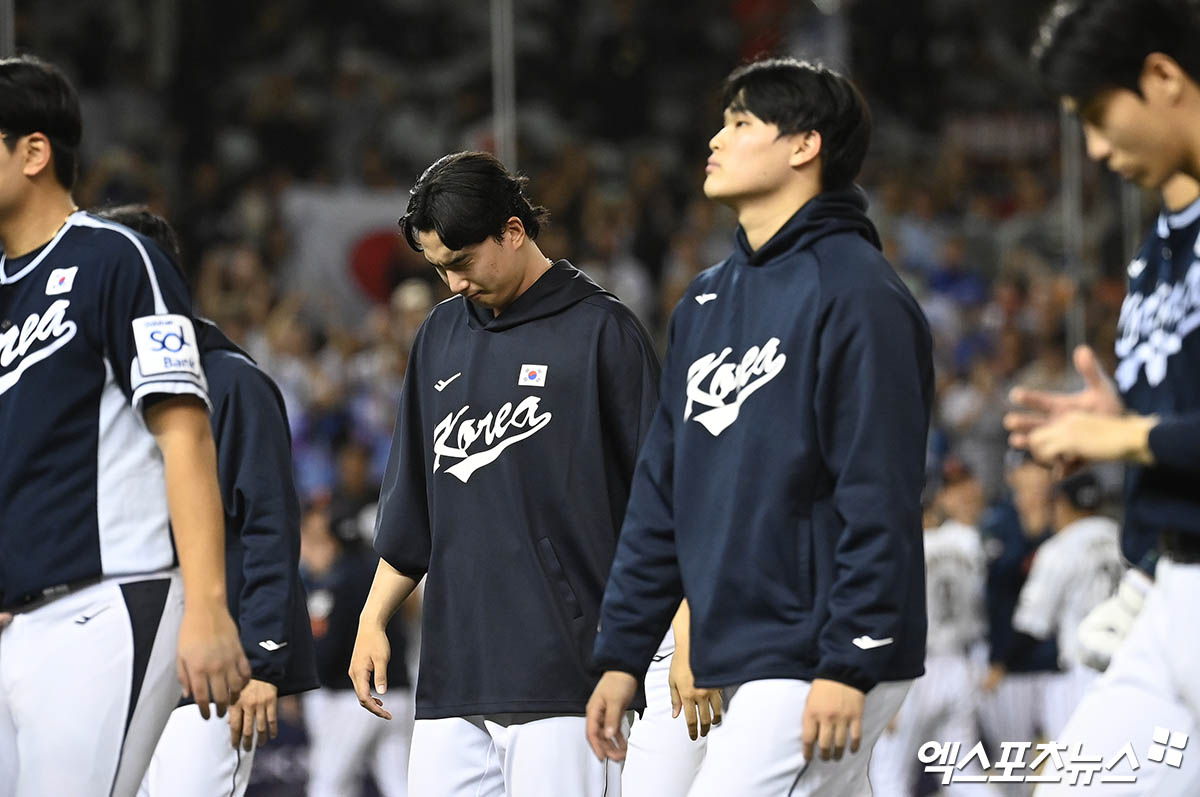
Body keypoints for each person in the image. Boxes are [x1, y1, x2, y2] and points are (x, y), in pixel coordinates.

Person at [588, 57, 935, 796]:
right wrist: (624, 649)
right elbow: (662, 493)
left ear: (804, 145)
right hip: (729, 638)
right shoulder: (706, 301)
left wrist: (852, 656)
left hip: (819, 646)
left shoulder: (859, 293)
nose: (716, 138)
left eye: (741, 123)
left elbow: (880, 491)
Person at [347, 151, 661, 797]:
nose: (452, 284)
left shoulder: (603, 332)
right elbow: (413, 506)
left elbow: (664, 507)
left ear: (514, 231)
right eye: (438, 269)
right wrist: (372, 618)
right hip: (452, 672)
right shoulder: (439, 334)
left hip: (568, 675)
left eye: (461, 263)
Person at [0, 56, 248, 797]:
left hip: (112, 598)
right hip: (23, 620)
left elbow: (185, 433)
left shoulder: (118, 257)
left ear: (34, 151)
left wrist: (205, 606)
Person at [998, 3, 1200, 787]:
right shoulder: (1160, 243)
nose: (1093, 146)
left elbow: (1161, 434)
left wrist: (1136, 438)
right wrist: (1123, 425)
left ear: (1162, 76)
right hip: (1172, 589)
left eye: (1097, 114)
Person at [89, 206, 319, 797]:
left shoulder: (232, 381)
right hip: (113, 664)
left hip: (211, 668)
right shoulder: (92, 391)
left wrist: (264, 661)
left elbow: (269, 525)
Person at [869, 468, 995, 797]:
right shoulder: (965, 541)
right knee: (963, 775)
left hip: (910, 672)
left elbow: (889, 615)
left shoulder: (899, 548)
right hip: (959, 665)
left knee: (888, 777)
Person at [983, 469, 1121, 739]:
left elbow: (1032, 625)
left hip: (1081, 673)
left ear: (1063, 504)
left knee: (1071, 770)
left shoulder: (1060, 547)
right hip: (1124, 669)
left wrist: (1002, 662)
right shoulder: (1122, 540)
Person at [301, 501, 413, 797]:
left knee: (328, 785)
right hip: (398, 695)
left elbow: (325, 653)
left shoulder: (333, 583)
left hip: (353, 700)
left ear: (331, 541)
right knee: (400, 787)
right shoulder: (381, 577)